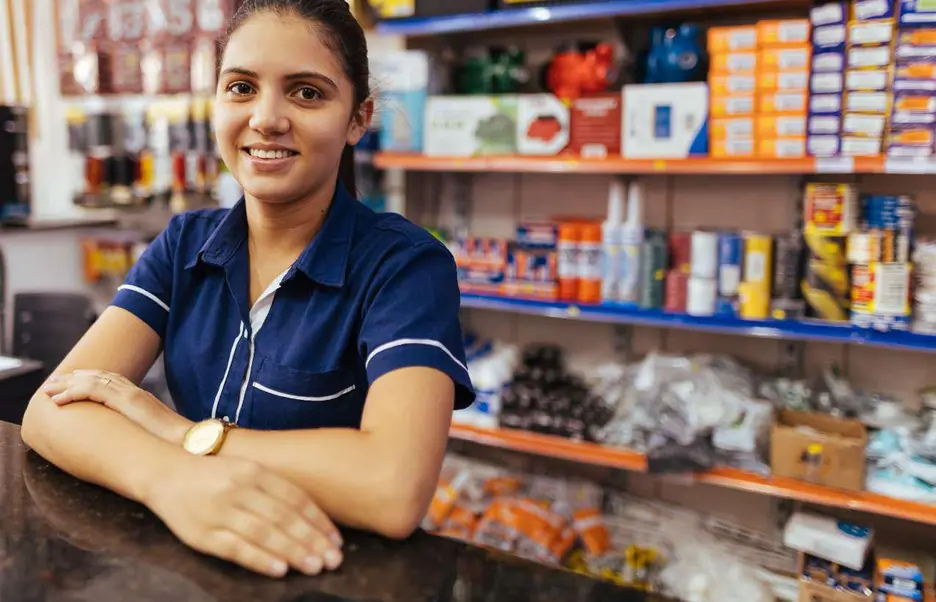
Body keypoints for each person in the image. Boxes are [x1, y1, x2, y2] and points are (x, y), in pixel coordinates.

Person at [21, 0, 474, 580]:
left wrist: (183, 435)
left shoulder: (406, 265)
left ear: (358, 118)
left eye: (307, 93)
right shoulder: (185, 243)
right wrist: (171, 480)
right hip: (196, 556)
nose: (266, 118)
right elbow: (51, 411)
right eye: (241, 87)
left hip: (330, 573)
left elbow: (393, 486)